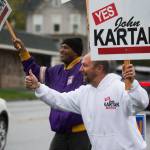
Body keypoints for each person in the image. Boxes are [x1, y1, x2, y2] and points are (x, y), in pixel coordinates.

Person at [25, 53, 149, 150]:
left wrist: (133, 84)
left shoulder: (120, 87)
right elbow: (59, 99)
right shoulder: (84, 93)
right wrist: (38, 86)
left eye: (84, 65)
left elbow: (142, 102)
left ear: (99, 68)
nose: (80, 70)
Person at [13, 38, 90, 150]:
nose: (61, 50)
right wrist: (23, 52)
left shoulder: (83, 69)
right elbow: (35, 72)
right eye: (61, 47)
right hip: (60, 133)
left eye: (66, 47)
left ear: (76, 51)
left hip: (80, 133)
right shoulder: (56, 71)